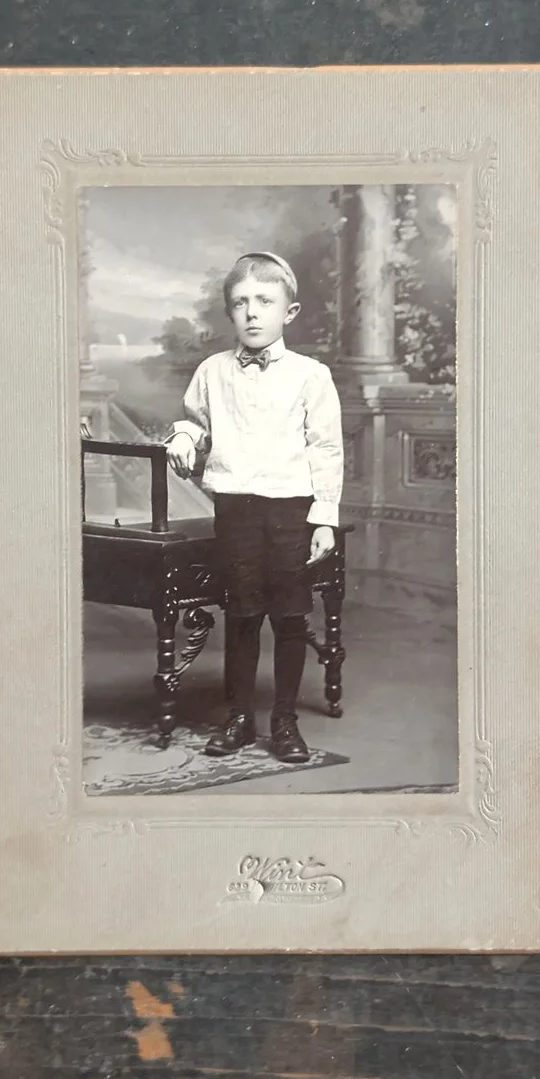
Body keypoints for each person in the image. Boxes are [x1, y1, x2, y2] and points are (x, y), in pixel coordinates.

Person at [165, 251, 343, 763]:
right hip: (236, 507)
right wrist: (183, 436)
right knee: (242, 613)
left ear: (289, 312)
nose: (252, 312)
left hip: (292, 509)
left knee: (289, 617)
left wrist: (324, 518)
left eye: (264, 301)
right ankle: (239, 718)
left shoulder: (311, 375)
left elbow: (326, 449)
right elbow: (195, 421)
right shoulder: (212, 371)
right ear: (230, 313)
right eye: (240, 302)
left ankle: (283, 721)